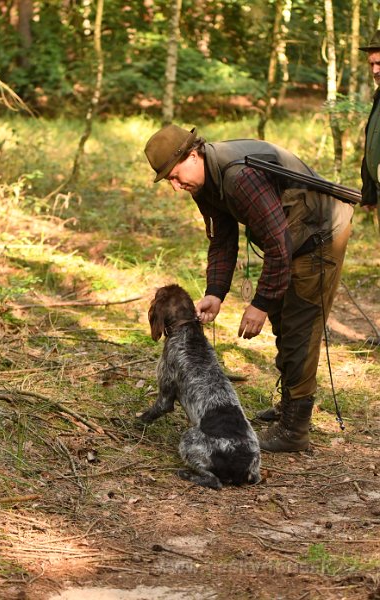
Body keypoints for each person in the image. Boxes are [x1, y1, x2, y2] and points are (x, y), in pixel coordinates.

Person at [144, 125, 354, 452]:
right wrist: (215, 291)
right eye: (168, 180)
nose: (175, 185)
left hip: (320, 234)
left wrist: (260, 303)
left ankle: (294, 431)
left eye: (174, 174)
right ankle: (288, 406)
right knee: (283, 321)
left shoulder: (239, 178)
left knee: (299, 325)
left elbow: (278, 246)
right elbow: (223, 238)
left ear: (194, 154)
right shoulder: (204, 182)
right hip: (293, 237)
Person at [359, 30, 380, 228]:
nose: (375, 70)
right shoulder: (378, 97)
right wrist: (369, 191)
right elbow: (371, 146)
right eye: (372, 64)